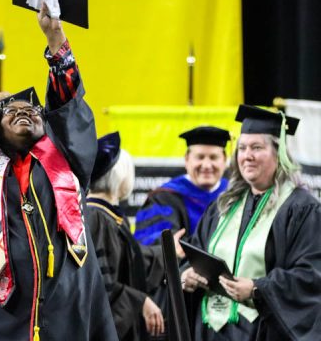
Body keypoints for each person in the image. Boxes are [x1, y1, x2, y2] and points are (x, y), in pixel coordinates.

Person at [0, 3, 116, 341]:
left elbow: (69, 106)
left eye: (32, 110)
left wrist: (54, 37)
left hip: (67, 310)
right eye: (10, 111)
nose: (22, 112)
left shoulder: (66, 159)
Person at [181, 104, 321, 340]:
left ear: (279, 153)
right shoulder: (223, 206)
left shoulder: (302, 209)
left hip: (262, 332)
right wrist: (187, 274)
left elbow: (311, 275)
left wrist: (258, 288)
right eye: (242, 148)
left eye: (257, 147)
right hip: (210, 331)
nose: (247, 155)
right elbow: (198, 252)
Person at [86, 132, 186, 340]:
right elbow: (101, 286)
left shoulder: (104, 215)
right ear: (121, 176)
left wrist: (168, 253)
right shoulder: (97, 218)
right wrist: (140, 301)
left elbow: (129, 261)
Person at [135, 126, 231, 245]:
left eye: (213, 157)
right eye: (200, 157)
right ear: (186, 159)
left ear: (225, 160)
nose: (206, 165)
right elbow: (152, 246)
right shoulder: (164, 198)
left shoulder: (234, 194)